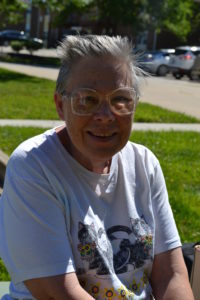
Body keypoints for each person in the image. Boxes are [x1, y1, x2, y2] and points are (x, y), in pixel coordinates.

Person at [0, 35, 193, 300]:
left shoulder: (144, 164)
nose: (105, 115)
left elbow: (171, 274)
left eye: (121, 100)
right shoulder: (35, 166)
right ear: (60, 105)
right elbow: (58, 294)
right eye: (87, 100)